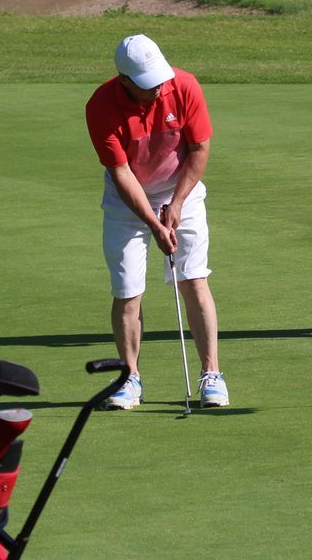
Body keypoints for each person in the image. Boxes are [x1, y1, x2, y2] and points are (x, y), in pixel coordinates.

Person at [85, 34, 229, 408]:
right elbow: (121, 173)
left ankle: (212, 374)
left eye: (160, 79)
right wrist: (153, 222)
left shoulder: (184, 86)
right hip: (128, 201)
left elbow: (199, 148)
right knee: (127, 290)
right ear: (125, 80)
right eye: (148, 84)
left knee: (193, 278)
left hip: (182, 189)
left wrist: (176, 203)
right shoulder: (101, 106)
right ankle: (129, 378)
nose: (158, 88)